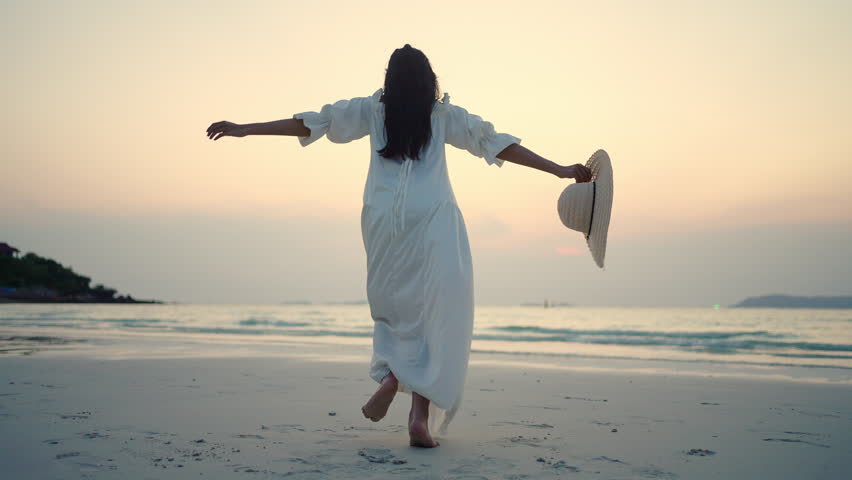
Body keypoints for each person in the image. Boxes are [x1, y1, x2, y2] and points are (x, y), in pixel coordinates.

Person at [206, 44, 592, 448]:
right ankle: (418, 416)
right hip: (433, 221)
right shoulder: (443, 117)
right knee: (438, 317)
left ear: (389, 81)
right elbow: (496, 144)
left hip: (383, 222)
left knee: (396, 311)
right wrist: (559, 169)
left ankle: (392, 376)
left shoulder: (372, 112)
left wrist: (246, 128)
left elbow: (312, 124)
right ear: (430, 81)